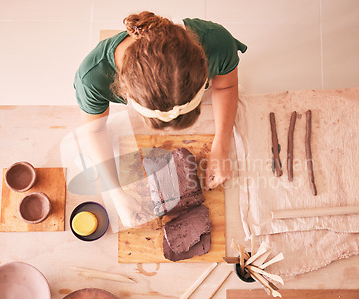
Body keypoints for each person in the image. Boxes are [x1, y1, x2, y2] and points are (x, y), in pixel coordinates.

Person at [74, 11, 247, 227]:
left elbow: (226, 85)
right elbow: (94, 130)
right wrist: (115, 193)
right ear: (123, 89)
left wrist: (222, 144)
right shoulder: (92, 77)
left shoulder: (216, 42)